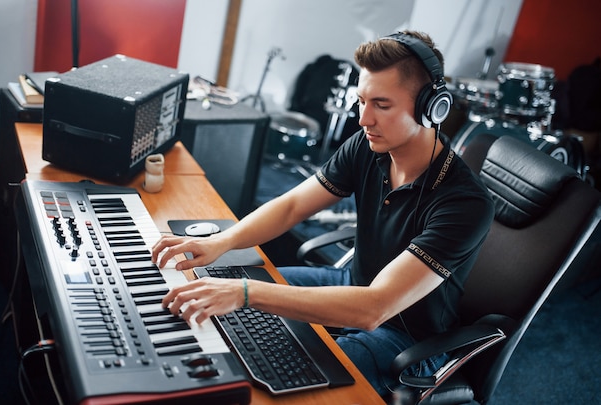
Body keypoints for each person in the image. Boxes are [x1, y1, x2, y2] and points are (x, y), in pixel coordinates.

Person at [151, 30, 495, 398]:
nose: (364, 119)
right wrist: (221, 242)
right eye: (361, 101)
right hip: (352, 281)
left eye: (381, 104)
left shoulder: (465, 203)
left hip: (405, 335)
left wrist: (246, 293)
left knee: (286, 376)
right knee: (214, 285)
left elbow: (374, 308)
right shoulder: (368, 146)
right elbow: (293, 205)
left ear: (431, 108)